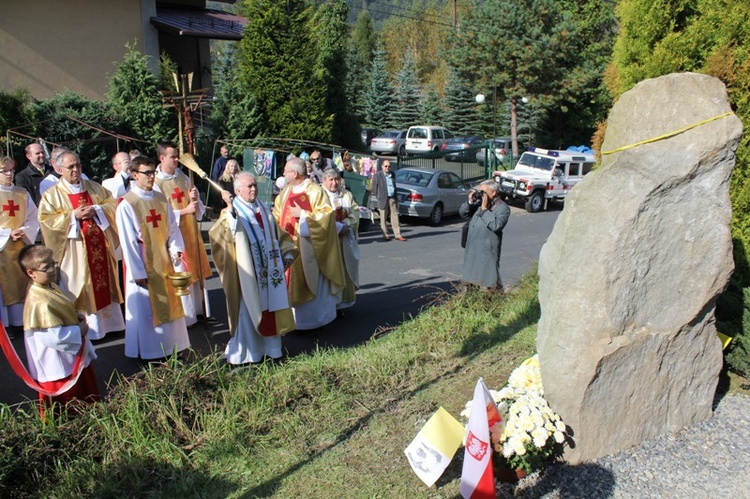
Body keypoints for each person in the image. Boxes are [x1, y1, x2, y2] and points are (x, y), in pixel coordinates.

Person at [209, 172, 298, 364]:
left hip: (269, 272)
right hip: (247, 274)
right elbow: (225, 234)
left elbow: (277, 234)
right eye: (249, 186)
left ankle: (272, 350)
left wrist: (287, 252)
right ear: (237, 190)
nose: (253, 189)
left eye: (254, 185)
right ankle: (248, 354)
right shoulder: (232, 212)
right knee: (248, 312)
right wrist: (230, 207)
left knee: (271, 309)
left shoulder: (264, 209)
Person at [38, 151, 125, 340]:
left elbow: (112, 204)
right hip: (74, 249)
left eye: (78, 165)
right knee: (80, 284)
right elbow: (46, 221)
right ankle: (88, 327)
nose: (76, 169)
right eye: (71, 167)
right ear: (59, 169)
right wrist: (72, 217)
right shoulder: (52, 195)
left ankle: (112, 324)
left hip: (100, 245)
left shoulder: (94, 188)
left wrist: (98, 209)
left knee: (104, 281)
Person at [115, 156, 190, 360]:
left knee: (171, 301)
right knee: (147, 309)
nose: (151, 176)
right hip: (144, 261)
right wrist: (138, 272)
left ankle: (174, 344)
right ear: (134, 175)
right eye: (146, 173)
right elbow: (128, 240)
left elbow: (172, 229)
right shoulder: (127, 204)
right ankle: (151, 351)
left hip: (164, 258)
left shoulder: (160, 199)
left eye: (152, 172)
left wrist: (176, 250)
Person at [18, 244, 100, 417]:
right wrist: (80, 331)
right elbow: (54, 338)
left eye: (53, 263)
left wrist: (75, 315)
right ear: (31, 273)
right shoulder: (38, 301)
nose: (53, 269)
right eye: (46, 267)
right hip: (57, 365)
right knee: (68, 408)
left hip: (70, 358)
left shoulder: (49, 286)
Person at [272, 157, 346, 330]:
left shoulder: (315, 191)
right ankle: (293, 323)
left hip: (310, 250)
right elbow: (277, 214)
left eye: (286, 171)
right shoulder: (285, 192)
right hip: (288, 246)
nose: (283, 174)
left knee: (312, 283)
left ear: (295, 173)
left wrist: (304, 215)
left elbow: (326, 217)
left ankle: (314, 322)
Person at [154, 140, 213, 327]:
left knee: (196, 269)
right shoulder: (156, 183)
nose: (176, 159)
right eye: (173, 156)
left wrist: (194, 199)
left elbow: (192, 201)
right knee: (183, 271)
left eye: (177, 155)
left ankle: (200, 310)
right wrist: (185, 211)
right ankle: (188, 317)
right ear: (162, 158)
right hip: (175, 234)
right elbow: (161, 214)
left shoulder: (182, 175)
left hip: (190, 229)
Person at [0, 157, 39, 334]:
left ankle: (21, 321)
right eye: (5, 171)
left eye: (12, 171)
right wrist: (7, 233)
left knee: (23, 279)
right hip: (2, 249)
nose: (10, 174)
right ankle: (6, 325)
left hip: (21, 245)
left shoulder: (22, 193)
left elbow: (34, 216)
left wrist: (24, 230)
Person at [459, 180, 510, 290]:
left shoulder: (503, 208)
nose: (481, 195)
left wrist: (484, 210)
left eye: (484, 192)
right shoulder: (478, 203)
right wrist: (470, 202)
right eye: (480, 192)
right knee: (470, 281)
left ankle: (492, 303)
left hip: (487, 252)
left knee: (489, 282)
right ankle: (470, 302)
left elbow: (496, 225)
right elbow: (463, 213)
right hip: (473, 249)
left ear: (494, 192)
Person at [321, 168, 360, 311]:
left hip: (345, 239)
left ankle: (342, 304)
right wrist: (337, 227)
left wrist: (346, 225)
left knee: (345, 269)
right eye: (330, 180)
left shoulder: (346, 194)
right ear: (323, 181)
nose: (334, 182)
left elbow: (355, 211)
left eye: (337, 179)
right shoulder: (319, 195)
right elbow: (318, 216)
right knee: (331, 271)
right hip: (328, 241)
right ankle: (330, 305)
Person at [370, 160, 406, 241]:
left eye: (389, 166)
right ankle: (385, 235)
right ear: (382, 166)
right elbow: (374, 188)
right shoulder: (377, 175)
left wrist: (395, 197)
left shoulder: (392, 174)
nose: (387, 168)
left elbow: (394, 186)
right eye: (386, 166)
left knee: (395, 215)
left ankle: (398, 234)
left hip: (392, 197)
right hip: (383, 198)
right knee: (383, 217)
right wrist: (379, 196)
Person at [15, 142, 52, 206]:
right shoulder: (22, 177)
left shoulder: (53, 171)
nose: (41, 155)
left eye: (42, 152)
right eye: (37, 153)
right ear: (29, 156)